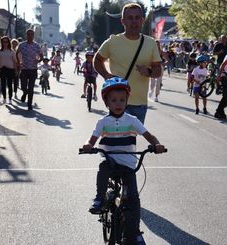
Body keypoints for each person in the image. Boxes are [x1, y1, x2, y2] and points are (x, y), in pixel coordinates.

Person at [82, 77, 165, 245]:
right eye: (113, 100)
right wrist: (87, 146)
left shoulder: (132, 120)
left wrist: (156, 144)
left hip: (128, 165)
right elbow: (91, 140)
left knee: (133, 199)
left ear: (127, 101)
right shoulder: (103, 121)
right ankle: (99, 198)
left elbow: (149, 136)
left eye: (122, 100)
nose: (118, 103)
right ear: (106, 102)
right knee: (103, 169)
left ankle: (134, 233)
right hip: (110, 161)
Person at [94, 3, 162, 124]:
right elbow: (97, 60)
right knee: (117, 140)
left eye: (137, 18)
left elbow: (158, 70)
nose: (134, 21)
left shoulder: (150, 43)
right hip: (117, 102)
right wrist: (106, 75)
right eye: (130, 18)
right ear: (123, 21)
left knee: (131, 141)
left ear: (142, 21)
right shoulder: (113, 41)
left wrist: (148, 71)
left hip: (139, 104)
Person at [16, 29, 43, 110]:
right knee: (23, 86)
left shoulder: (36, 45)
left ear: (33, 35)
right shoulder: (21, 45)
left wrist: (38, 60)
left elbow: (41, 55)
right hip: (24, 69)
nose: (30, 36)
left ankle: (29, 104)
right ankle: (25, 93)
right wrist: (18, 62)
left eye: (31, 34)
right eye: (28, 34)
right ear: (26, 35)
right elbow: (17, 53)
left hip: (33, 69)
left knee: (31, 88)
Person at [0, 36, 16, 104]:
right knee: (3, 85)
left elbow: (14, 61)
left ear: (8, 42)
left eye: (6, 42)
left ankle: (10, 98)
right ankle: (4, 98)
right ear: (2, 42)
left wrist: (15, 69)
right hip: (2, 69)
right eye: (4, 42)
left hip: (10, 69)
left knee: (10, 85)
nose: (5, 43)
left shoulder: (11, 51)